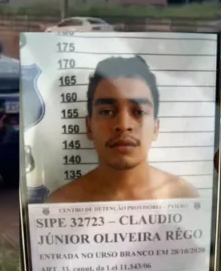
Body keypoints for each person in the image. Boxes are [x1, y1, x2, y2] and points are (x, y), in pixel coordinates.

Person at [46, 55, 198, 204]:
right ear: (89, 126)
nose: (124, 125)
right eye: (106, 111)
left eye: (139, 112)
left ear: (155, 128)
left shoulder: (182, 197)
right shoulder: (60, 204)